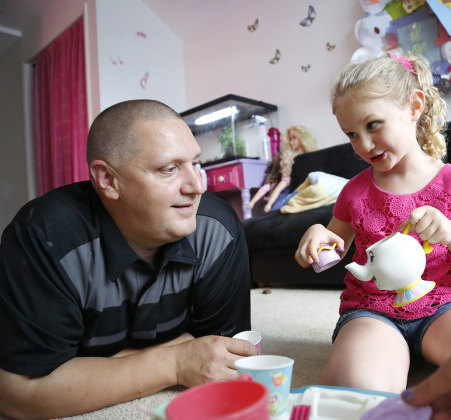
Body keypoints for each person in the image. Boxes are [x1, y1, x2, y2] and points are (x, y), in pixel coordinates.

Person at [0, 99, 258, 418]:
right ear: (108, 180)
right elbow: (17, 394)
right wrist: (174, 363)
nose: (197, 187)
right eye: (169, 169)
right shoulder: (44, 238)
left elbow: (220, 354)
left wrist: (87, 370)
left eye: (196, 163)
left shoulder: (217, 229)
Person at [295, 54, 451, 393]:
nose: (362, 145)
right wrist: (317, 236)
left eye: (373, 125)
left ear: (414, 106)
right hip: (373, 313)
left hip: (446, 307)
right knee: (355, 390)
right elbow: (333, 251)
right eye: (351, 134)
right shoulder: (353, 192)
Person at [247, 125, 318, 213]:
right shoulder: (288, 156)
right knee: (273, 191)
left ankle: (266, 204)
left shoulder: (310, 157)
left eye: (294, 138)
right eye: (290, 139)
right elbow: (277, 179)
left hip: (295, 187)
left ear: (302, 138)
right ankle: (261, 204)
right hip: (285, 185)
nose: (291, 142)